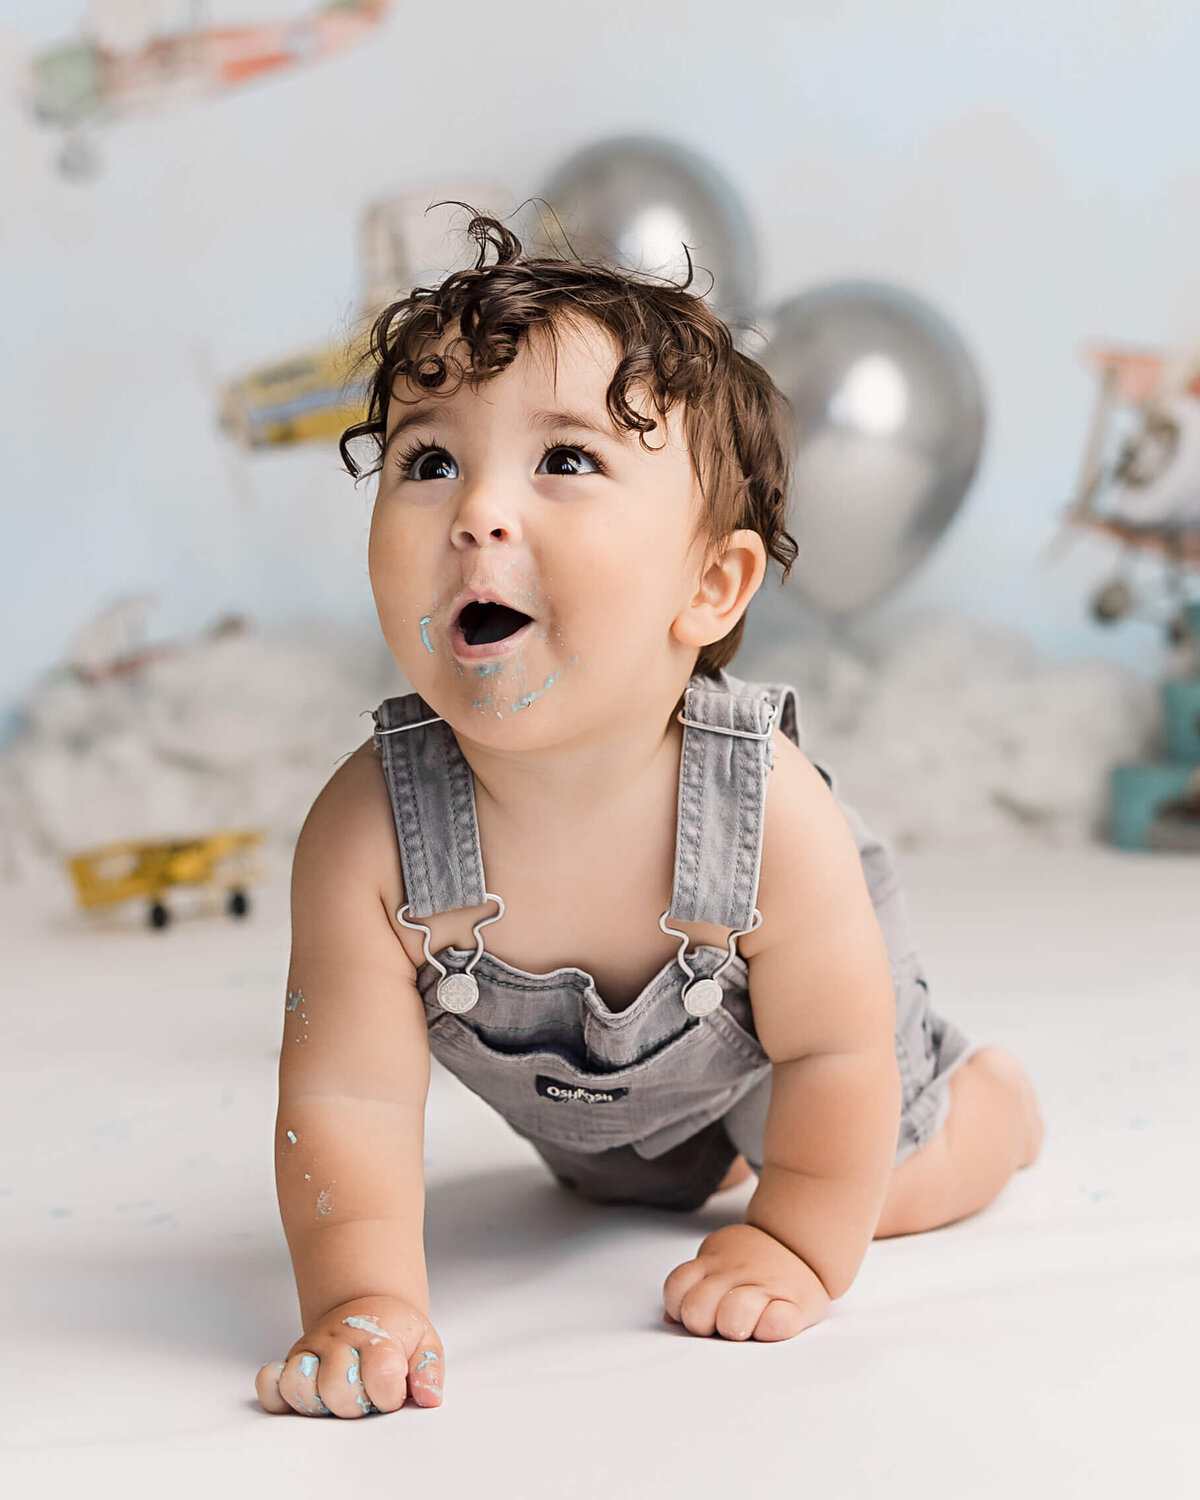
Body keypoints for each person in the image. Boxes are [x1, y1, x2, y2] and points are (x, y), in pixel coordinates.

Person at [255, 208, 1044, 1418]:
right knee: (635, 1196)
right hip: (600, 1125)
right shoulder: (368, 834)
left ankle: (996, 1110)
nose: (477, 512)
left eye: (564, 460)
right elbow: (346, 1102)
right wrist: (363, 1295)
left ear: (709, 584)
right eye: (428, 461)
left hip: (792, 1046)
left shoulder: (765, 810)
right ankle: (685, 1162)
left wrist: (792, 1241)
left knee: (881, 1178)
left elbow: (833, 1051)